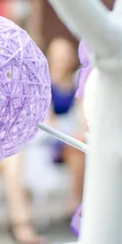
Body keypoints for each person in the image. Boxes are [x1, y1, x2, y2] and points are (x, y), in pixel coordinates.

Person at [46, 37, 86, 211]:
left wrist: (82, 131)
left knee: (83, 146)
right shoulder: (46, 84)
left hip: (74, 135)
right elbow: (50, 121)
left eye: (65, 55)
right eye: (58, 56)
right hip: (54, 136)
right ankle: (76, 200)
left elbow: (81, 114)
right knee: (76, 149)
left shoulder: (76, 83)